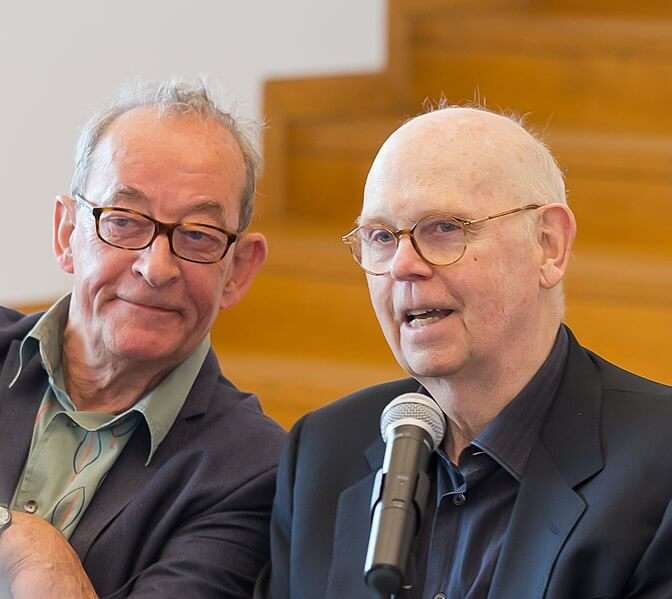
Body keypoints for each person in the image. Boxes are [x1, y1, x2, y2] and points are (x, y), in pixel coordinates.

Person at [256, 106, 672, 598]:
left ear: (548, 245)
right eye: (382, 237)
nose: (403, 266)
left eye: (444, 228)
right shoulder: (325, 454)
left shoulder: (658, 464)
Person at [0, 80, 285, 599]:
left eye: (198, 234)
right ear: (67, 233)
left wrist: (36, 559)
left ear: (239, 270)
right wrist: (18, 532)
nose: (156, 268)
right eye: (124, 221)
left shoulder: (256, 474)